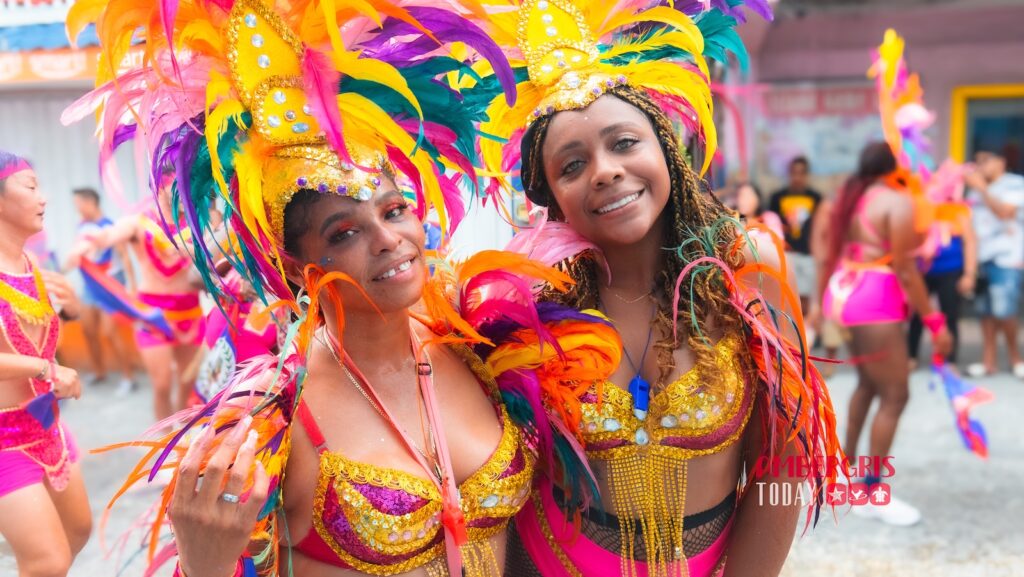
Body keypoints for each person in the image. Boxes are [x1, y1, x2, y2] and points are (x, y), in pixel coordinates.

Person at [68, 0, 619, 575]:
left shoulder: (480, 343)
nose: (389, 239)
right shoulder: (273, 421)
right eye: (346, 231)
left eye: (396, 209)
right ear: (298, 266)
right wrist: (205, 560)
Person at [476, 2, 840, 575]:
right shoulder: (531, 304)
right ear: (551, 198)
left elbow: (782, 463)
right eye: (571, 166)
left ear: (666, 149)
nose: (604, 170)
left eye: (624, 143)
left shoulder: (747, 270)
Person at [821, 142, 953, 526]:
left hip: (845, 295)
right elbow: (907, 271)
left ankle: (842, 474)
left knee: (868, 385)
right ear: (893, 168)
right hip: (875, 301)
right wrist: (934, 322)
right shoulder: (895, 202)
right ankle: (870, 491)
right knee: (896, 395)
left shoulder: (848, 197)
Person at [0, 151, 92, 577]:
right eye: (31, 187)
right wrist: (44, 371)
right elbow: (39, 362)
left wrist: (71, 311)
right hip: (4, 438)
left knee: (78, 530)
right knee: (47, 561)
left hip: (47, 423)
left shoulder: (31, 264)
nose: (45, 198)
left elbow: (39, 334)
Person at [68, 171, 203, 422]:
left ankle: (181, 434)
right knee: (162, 384)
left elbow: (218, 255)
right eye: (177, 184)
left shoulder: (197, 222)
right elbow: (109, 234)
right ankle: (163, 441)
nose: (183, 190)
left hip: (191, 312)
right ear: (158, 188)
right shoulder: (139, 223)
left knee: (187, 385)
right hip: (153, 314)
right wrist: (88, 242)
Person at [70, 186, 138, 395]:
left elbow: (125, 256)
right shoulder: (83, 226)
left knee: (110, 332)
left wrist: (132, 287)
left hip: (110, 284)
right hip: (90, 285)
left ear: (90, 203)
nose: (77, 209)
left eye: (79, 204)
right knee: (88, 329)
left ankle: (128, 378)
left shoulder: (110, 226)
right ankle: (100, 372)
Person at [963, 147, 1024, 378]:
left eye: (985, 160)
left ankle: (1016, 358)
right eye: (977, 161)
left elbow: (1005, 213)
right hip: (981, 258)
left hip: (1007, 258)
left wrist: (982, 189)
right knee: (985, 311)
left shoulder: (1015, 183)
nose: (980, 166)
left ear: (1001, 162)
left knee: (1005, 309)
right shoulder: (974, 191)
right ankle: (988, 361)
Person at [770, 156, 824, 314]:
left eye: (801, 173)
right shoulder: (777, 198)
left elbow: (820, 228)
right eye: (794, 173)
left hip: (808, 255)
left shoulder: (815, 198)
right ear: (789, 174)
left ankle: (806, 335)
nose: (797, 177)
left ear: (807, 175)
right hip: (786, 255)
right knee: (787, 298)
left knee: (806, 298)